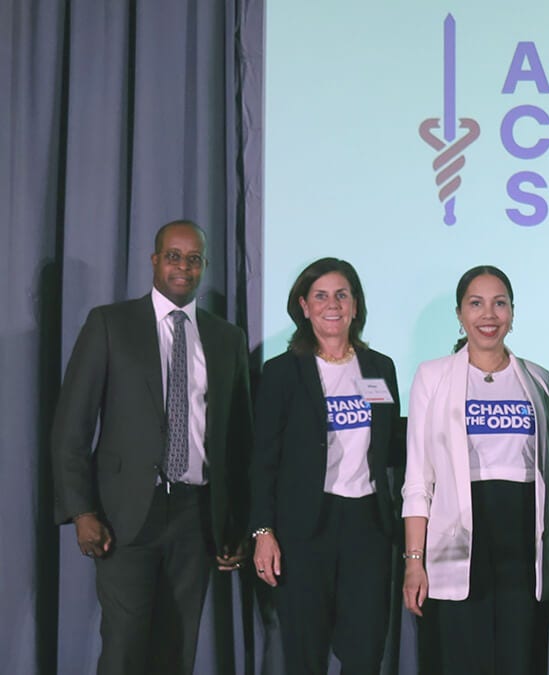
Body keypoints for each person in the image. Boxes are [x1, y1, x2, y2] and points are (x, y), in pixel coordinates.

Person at [50, 220, 252, 675]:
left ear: (204, 267)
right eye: (174, 256)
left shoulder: (226, 339)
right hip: (124, 517)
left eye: (194, 259)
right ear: (155, 260)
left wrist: (234, 521)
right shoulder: (110, 324)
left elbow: (238, 442)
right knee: (124, 648)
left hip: (196, 517)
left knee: (176, 652)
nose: (184, 266)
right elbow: (71, 428)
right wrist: (82, 511)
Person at [249, 257, 404, 674]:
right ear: (303, 306)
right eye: (320, 296)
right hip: (304, 531)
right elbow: (263, 460)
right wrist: (263, 532)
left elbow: (391, 447)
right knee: (306, 654)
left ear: (355, 305)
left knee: (366, 652)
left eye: (342, 295)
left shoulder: (380, 368)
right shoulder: (282, 373)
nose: (332, 304)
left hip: (367, 527)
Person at [401, 265, 549, 674]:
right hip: (460, 544)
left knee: (520, 660)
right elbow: (418, 478)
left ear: (512, 313)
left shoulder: (538, 379)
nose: (489, 315)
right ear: (459, 314)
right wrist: (414, 560)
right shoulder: (432, 378)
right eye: (476, 303)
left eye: (499, 303)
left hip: (521, 547)